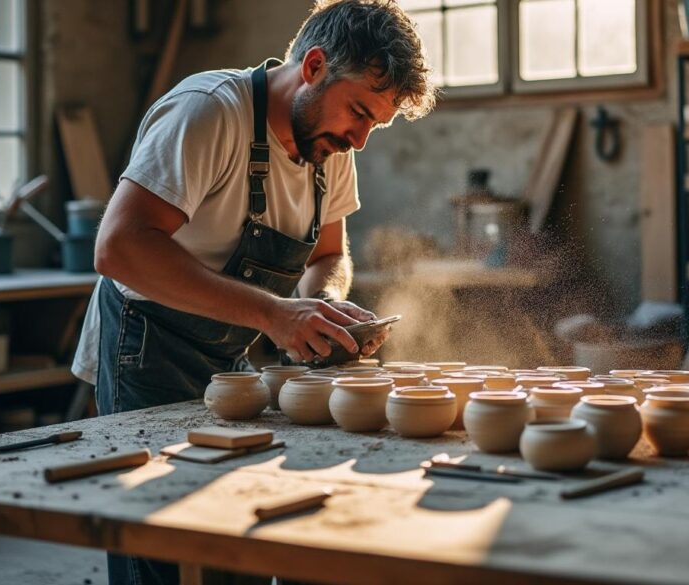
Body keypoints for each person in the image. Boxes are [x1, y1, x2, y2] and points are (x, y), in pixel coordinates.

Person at [71, 1, 437, 583]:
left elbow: (328, 256)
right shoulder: (210, 113)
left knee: (235, 538)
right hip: (146, 348)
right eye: (360, 113)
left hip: (227, 355)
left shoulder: (329, 146)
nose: (361, 139)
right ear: (314, 66)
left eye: (376, 125)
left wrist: (325, 299)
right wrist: (274, 312)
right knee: (165, 545)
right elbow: (120, 248)